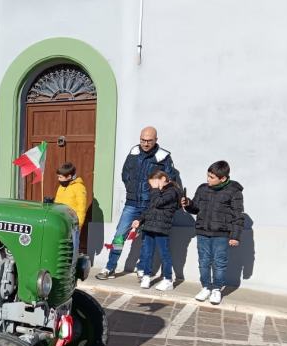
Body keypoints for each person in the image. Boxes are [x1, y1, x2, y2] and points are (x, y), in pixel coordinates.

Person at [96, 126, 180, 280]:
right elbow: (125, 173)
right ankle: (109, 267)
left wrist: (154, 194)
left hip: (151, 204)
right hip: (132, 203)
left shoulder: (164, 158)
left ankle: (142, 268)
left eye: (149, 140)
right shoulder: (133, 153)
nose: (145, 143)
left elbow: (169, 180)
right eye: (143, 140)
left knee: (146, 238)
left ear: (156, 140)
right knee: (119, 235)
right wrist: (131, 188)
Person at [182, 160, 244, 305]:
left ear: (222, 178)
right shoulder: (203, 188)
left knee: (219, 263)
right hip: (202, 232)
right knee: (203, 261)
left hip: (221, 234)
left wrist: (235, 236)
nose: (208, 179)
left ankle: (216, 289)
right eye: (208, 176)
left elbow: (238, 215)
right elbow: (196, 209)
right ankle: (205, 287)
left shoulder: (234, 191)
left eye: (212, 177)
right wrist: (188, 204)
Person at [131, 170, 180, 291]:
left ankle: (168, 280)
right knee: (147, 253)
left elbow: (158, 202)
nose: (152, 186)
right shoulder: (157, 192)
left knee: (164, 254)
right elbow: (150, 208)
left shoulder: (172, 191)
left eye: (154, 183)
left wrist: (155, 189)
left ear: (163, 179)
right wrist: (139, 220)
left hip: (161, 228)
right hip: (149, 226)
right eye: (151, 184)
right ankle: (146, 276)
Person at [54, 162, 88, 227]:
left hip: (72, 223)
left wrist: (79, 225)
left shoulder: (79, 187)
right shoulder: (61, 186)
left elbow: (81, 208)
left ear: (69, 176)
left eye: (60, 177)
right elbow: (57, 202)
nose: (58, 179)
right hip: (61, 221)